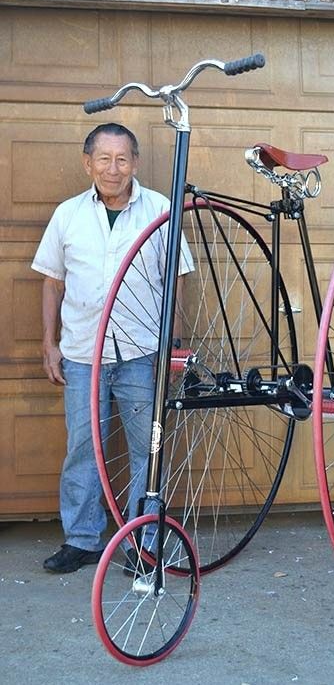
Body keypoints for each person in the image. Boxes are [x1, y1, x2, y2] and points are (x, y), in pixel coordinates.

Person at [32, 122, 193, 573]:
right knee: (85, 448)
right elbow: (52, 282)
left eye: (122, 159)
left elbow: (176, 279)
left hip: (143, 354)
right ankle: (82, 539)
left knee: (149, 451)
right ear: (88, 163)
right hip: (83, 354)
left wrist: (173, 345)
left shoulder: (161, 210)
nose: (113, 168)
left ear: (135, 163)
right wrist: (50, 344)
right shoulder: (68, 215)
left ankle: (144, 543)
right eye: (103, 158)